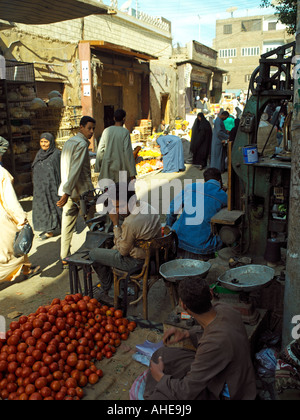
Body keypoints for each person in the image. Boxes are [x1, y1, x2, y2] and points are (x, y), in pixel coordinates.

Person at [143, 277, 257, 400]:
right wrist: (186, 334)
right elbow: (211, 328)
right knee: (162, 354)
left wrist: (160, 377)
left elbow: (186, 392)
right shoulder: (224, 308)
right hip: (224, 366)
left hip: (225, 389)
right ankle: (155, 393)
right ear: (211, 294)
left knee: (161, 395)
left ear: (183, 306)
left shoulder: (212, 344)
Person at [89, 182, 161, 297]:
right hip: (154, 256)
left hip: (139, 264)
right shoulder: (146, 206)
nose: (117, 210)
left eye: (120, 206)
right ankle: (119, 284)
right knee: (114, 246)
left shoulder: (131, 222)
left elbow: (123, 251)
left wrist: (116, 224)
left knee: (93, 254)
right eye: (115, 206)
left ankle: (112, 290)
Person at [57, 116, 96, 266]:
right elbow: (75, 170)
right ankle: (97, 252)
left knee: (67, 225)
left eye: (93, 129)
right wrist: (67, 192)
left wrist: (66, 191)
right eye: (89, 128)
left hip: (69, 191)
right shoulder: (81, 144)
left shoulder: (69, 142)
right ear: (81, 127)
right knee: (93, 223)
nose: (91, 132)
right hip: (81, 192)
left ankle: (64, 256)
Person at [166, 167, 227, 258]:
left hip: (179, 241)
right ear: (220, 181)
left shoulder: (191, 187)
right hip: (202, 247)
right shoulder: (224, 197)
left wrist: (170, 228)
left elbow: (172, 210)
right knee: (226, 236)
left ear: (205, 180)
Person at [0, 164, 40, 282]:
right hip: (3, 219)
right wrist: (22, 218)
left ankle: (26, 268)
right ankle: (24, 269)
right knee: (13, 248)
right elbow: (10, 200)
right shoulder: (2, 173)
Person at [32, 133, 62, 240]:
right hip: (40, 188)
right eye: (41, 142)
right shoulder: (39, 154)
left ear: (51, 142)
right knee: (44, 208)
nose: (43, 144)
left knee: (55, 207)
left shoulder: (56, 154)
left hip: (53, 187)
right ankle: (48, 228)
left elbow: (60, 171)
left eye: (46, 142)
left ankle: (55, 229)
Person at [95, 109, 136, 186]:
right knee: (121, 194)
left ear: (114, 118)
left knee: (107, 193)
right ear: (124, 119)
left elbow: (100, 150)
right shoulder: (125, 132)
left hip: (107, 168)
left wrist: (98, 167)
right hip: (121, 168)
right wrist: (132, 174)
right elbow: (128, 153)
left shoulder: (106, 131)